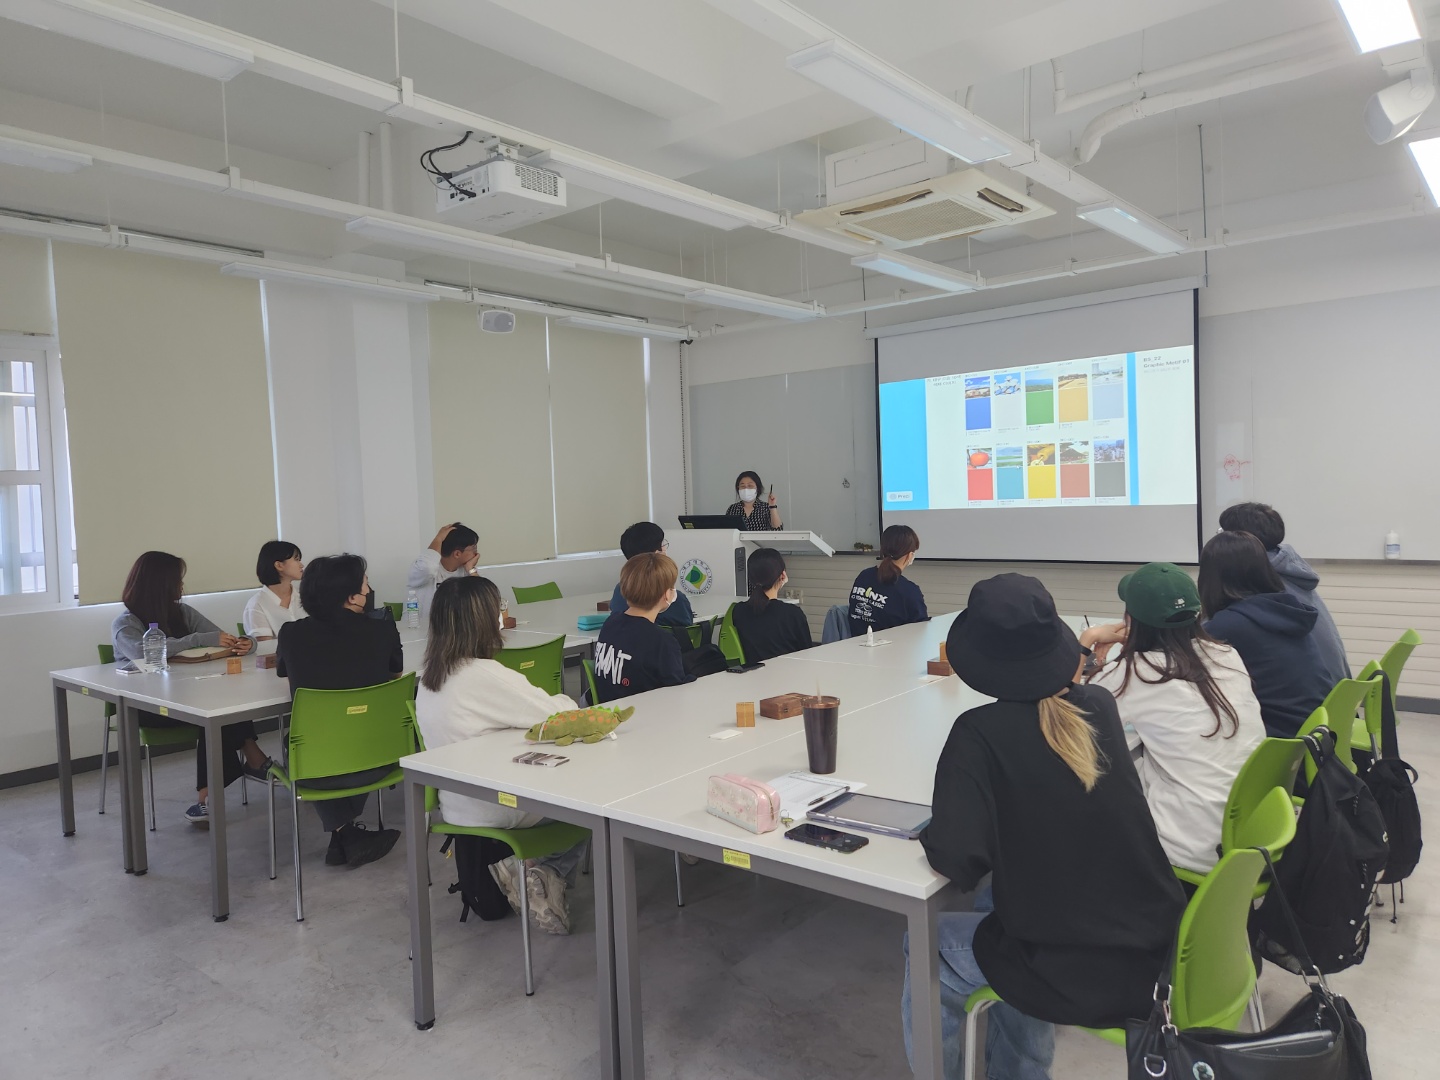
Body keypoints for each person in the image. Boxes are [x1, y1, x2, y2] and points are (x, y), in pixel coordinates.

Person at [904, 574, 1185, 1079]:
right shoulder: (1099, 706)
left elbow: (957, 861)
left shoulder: (977, 734)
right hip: (1155, 953)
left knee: (924, 942)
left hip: (1071, 971)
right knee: (999, 908)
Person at [415, 576, 587, 934]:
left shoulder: (430, 678)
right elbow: (558, 714)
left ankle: (531, 873)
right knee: (592, 798)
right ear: (486, 619)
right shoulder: (483, 675)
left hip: (458, 805)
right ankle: (545, 873)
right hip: (501, 805)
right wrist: (563, 701)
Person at [1082, 562, 1265, 874]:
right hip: (1255, 828)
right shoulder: (1226, 654)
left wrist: (1087, 641)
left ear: (1131, 621)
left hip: (1194, 844)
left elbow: (1070, 719)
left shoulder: (1131, 674)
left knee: (1099, 776)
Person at [111, 551, 264, 826]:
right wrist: (196, 640)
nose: (182, 586)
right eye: (177, 580)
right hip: (148, 706)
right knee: (213, 712)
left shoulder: (183, 613)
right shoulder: (126, 623)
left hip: (190, 695)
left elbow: (221, 637)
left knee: (218, 707)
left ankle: (207, 797)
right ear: (160, 584)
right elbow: (141, 652)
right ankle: (253, 760)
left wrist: (246, 644)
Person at [276, 554, 404, 868]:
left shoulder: (291, 634)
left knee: (304, 741)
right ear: (351, 596)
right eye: (365, 584)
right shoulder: (382, 630)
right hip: (379, 756)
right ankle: (346, 835)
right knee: (355, 730)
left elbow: (284, 672)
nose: (368, 590)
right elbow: (396, 673)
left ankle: (344, 834)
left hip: (314, 768)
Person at [1198, 531, 1334, 738]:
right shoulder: (1286, 608)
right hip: (1317, 729)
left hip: (1281, 740)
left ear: (1211, 578)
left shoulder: (1227, 626)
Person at [1218, 502, 1350, 683]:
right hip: (1336, 690)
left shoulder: (1262, 581)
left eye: (1222, 533)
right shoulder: (1292, 572)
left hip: (1316, 692)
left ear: (1239, 540)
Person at [593, 552, 697, 702]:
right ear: (666, 595)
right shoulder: (662, 642)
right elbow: (675, 694)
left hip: (609, 709)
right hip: (647, 711)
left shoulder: (610, 623)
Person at [730, 547, 813, 662]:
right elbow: (808, 655)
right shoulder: (793, 614)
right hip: (790, 672)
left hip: (751, 673)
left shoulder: (738, 611)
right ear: (783, 575)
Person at [609, 521, 694, 629]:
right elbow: (687, 625)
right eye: (663, 545)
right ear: (657, 555)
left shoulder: (620, 591)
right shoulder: (673, 598)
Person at [849, 524, 927, 636]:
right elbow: (921, 631)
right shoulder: (909, 592)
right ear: (909, 555)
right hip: (895, 646)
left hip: (854, 644)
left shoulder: (864, 576)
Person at [243, 540, 305, 655]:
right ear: (279, 565)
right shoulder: (257, 604)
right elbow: (265, 648)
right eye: (296, 559)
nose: (301, 565)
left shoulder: (305, 597)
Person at [407, 523, 480, 620]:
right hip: (419, 627)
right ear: (457, 554)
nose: (476, 554)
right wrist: (438, 539)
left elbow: (482, 598)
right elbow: (428, 567)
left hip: (452, 627)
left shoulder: (466, 570)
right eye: (474, 549)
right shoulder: (422, 569)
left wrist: (471, 570)